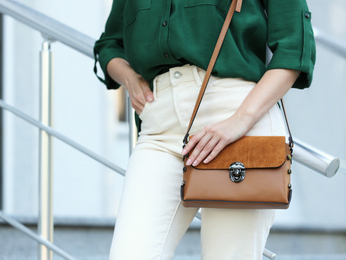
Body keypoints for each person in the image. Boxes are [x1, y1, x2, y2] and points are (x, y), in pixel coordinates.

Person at [94, 0, 315, 259]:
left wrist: (241, 120)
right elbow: (110, 44)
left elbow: (294, 45)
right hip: (160, 127)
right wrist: (130, 78)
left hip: (237, 119)